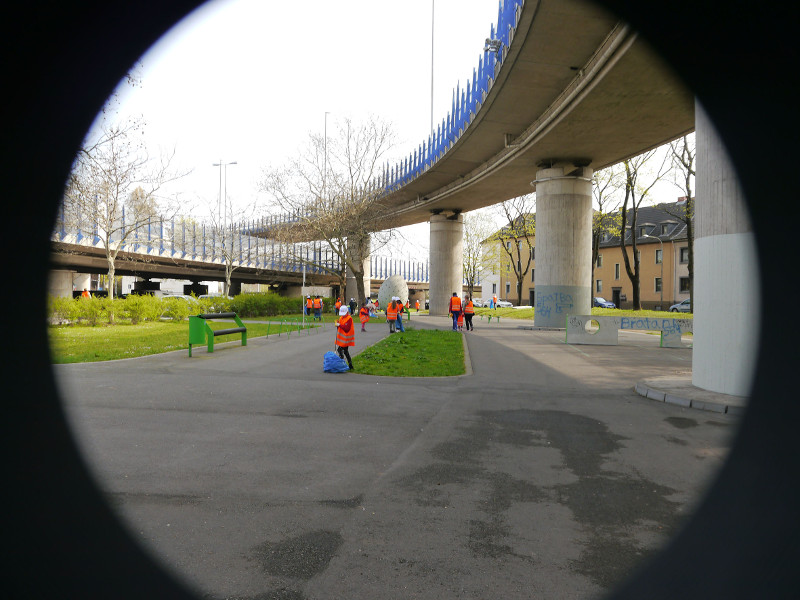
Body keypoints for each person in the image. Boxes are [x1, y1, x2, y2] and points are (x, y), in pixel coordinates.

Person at [335, 305, 354, 370]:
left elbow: (346, 329)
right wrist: (337, 325)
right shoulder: (341, 318)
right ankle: (350, 364)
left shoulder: (349, 319)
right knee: (345, 351)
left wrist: (340, 325)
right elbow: (340, 327)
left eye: (344, 314)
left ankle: (342, 363)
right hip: (342, 339)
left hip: (347, 338)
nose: (343, 315)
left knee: (340, 350)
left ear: (347, 312)